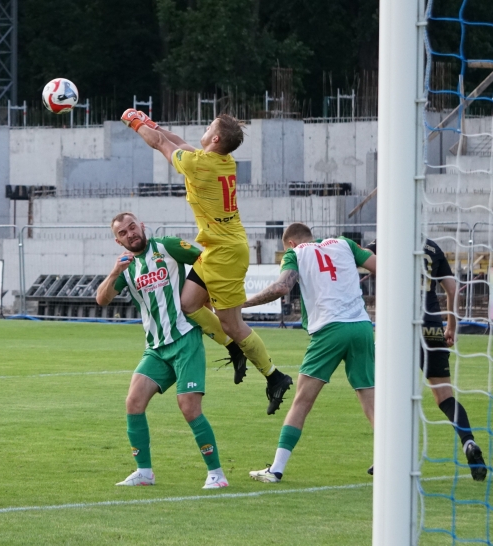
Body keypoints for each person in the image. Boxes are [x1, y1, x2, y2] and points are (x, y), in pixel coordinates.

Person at [121, 110, 292, 414]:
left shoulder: (199, 165)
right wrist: (153, 123)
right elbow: (176, 141)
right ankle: (233, 350)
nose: (203, 129)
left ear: (214, 138)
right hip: (216, 248)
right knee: (188, 303)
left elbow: (161, 144)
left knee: (233, 323)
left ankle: (274, 376)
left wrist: (135, 122)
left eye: (209, 126)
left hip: (226, 252)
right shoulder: (219, 160)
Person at [96, 212, 229, 489]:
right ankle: (144, 472)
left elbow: (206, 262)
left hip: (185, 339)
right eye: (123, 232)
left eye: (132, 227)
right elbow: (102, 300)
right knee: (133, 403)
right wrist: (113, 273)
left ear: (142, 226)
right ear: (118, 240)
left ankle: (217, 474)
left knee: (189, 407)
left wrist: (210, 302)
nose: (130, 233)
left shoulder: (166, 247)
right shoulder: (127, 268)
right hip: (155, 348)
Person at [243, 223, 376, 483]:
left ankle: (276, 469)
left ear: (290, 243)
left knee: (302, 401)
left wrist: (244, 303)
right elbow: (381, 267)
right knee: (369, 397)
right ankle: (389, 459)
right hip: (361, 326)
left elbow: (283, 287)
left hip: (329, 330)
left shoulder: (295, 254)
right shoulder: (344, 243)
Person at [367, 239, 486, 481]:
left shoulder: (387, 239)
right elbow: (452, 288)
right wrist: (451, 326)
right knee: (445, 397)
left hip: (400, 325)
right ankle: (469, 443)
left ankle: (388, 458)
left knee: (385, 394)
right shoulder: (433, 248)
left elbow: (362, 260)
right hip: (432, 325)